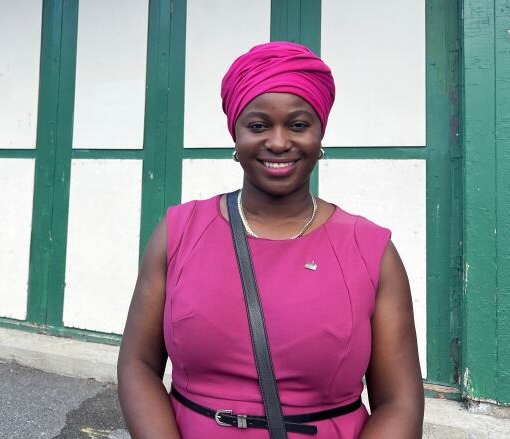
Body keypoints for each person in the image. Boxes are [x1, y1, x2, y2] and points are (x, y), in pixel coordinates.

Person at [117, 41, 424, 438]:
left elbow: (400, 401)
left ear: (319, 135)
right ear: (236, 134)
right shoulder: (180, 231)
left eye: (298, 125)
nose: (279, 143)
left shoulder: (370, 250)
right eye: (259, 125)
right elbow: (137, 364)